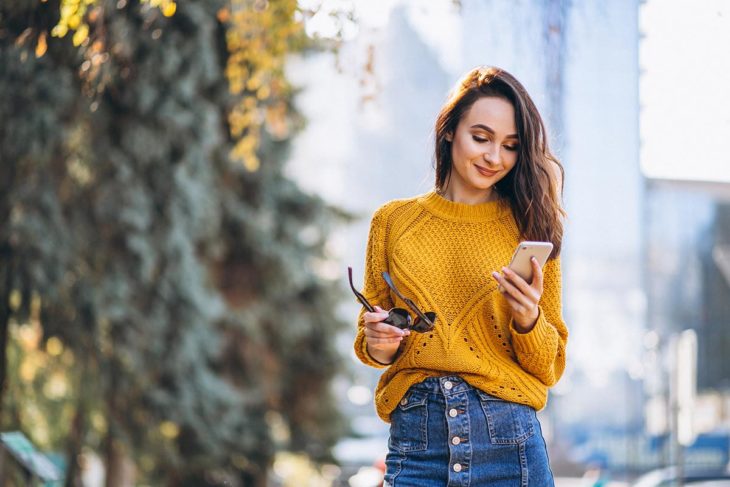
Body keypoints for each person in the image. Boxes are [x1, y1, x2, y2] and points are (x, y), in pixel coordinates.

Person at [350, 66, 568, 486]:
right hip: (418, 441)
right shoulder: (392, 222)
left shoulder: (531, 228)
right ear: (450, 130)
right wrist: (379, 340)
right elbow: (373, 344)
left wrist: (527, 319)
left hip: (510, 443)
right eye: (481, 138)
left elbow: (550, 366)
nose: (494, 157)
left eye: (510, 146)